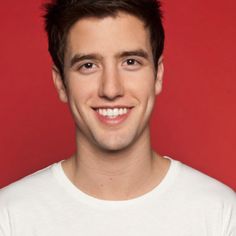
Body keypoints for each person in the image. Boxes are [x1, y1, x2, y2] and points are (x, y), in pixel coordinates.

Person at [0, 0, 235, 235]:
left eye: (130, 62)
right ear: (60, 82)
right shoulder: (9, 217)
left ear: (158, 74)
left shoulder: (222, 215)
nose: (111, 89)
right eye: (88, 65)